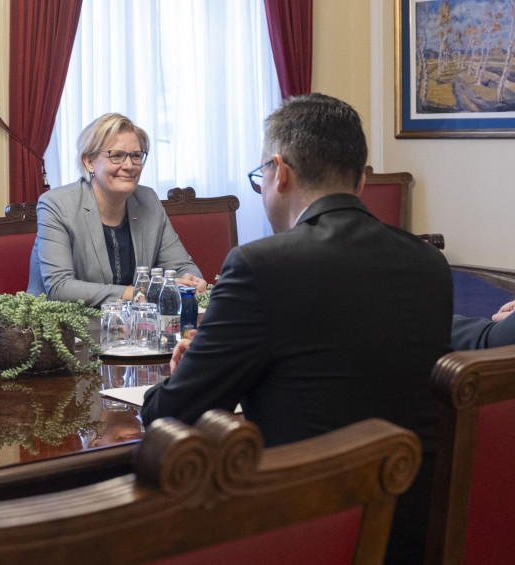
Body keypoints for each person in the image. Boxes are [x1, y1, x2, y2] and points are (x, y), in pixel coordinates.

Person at [141, 94, 453, 564]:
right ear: (361, 180)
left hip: (312, 534)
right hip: (417, 530)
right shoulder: (429, 264)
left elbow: (173, 417)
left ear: (278, 172)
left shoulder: (259, 267)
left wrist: (181, 376)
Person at [27, 113, 206, 307]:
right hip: (62, 330)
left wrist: (191, 281)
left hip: (134, 328)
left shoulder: (148, 200)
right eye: (117, 155)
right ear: (89, 162)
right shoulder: (56, 204)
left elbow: (181, 266)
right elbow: (60, 288)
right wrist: (140, 292)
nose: (129, 166)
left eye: (136, 156)